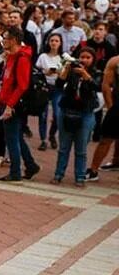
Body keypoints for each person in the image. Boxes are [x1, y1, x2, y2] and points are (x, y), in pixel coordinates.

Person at [0, 26, 40, 182]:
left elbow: (22, 85)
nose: (3, 41)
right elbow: (6, 80)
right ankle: (31, 165)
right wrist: (0, 98)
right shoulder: (13, 56)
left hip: (14, 105)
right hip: (7, 101)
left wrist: (9, 105)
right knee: (16, 137)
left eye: (5, 38)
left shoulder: (22, 58)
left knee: (12, 139)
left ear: (13, 40)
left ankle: (15, 171)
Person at [51, 47, 100, 186]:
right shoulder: (71, 71)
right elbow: (59, 85)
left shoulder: (95, 73)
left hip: (85, 113)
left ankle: (80, 177)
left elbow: (97, 87)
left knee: (81, 148)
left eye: (88, 58)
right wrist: (66, 69)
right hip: (67, 110)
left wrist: (85, 74)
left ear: (92, 59)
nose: (84, 60)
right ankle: (58, 174)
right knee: (64, 147)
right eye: (82, 57)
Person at [87, 52, 119, 182]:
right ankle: (93, 170)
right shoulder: (115, 61)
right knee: (106, 139)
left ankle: (115, 162)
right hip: (117, 106)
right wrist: (111, 107)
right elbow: (106, 85)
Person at [35, 33, 67, 151]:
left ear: (60, 43)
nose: (54, 43)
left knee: (57, 114)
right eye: (52, 40)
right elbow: (36, 71)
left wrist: (60, 73)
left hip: (57, 88)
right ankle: (43, 140)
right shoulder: (43, 56)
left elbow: (67, 73)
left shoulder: (63, 57)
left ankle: (52, 134)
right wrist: (45, 72)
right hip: (44, 87)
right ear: (48, 42)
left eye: (56, 41)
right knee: (42, 114)